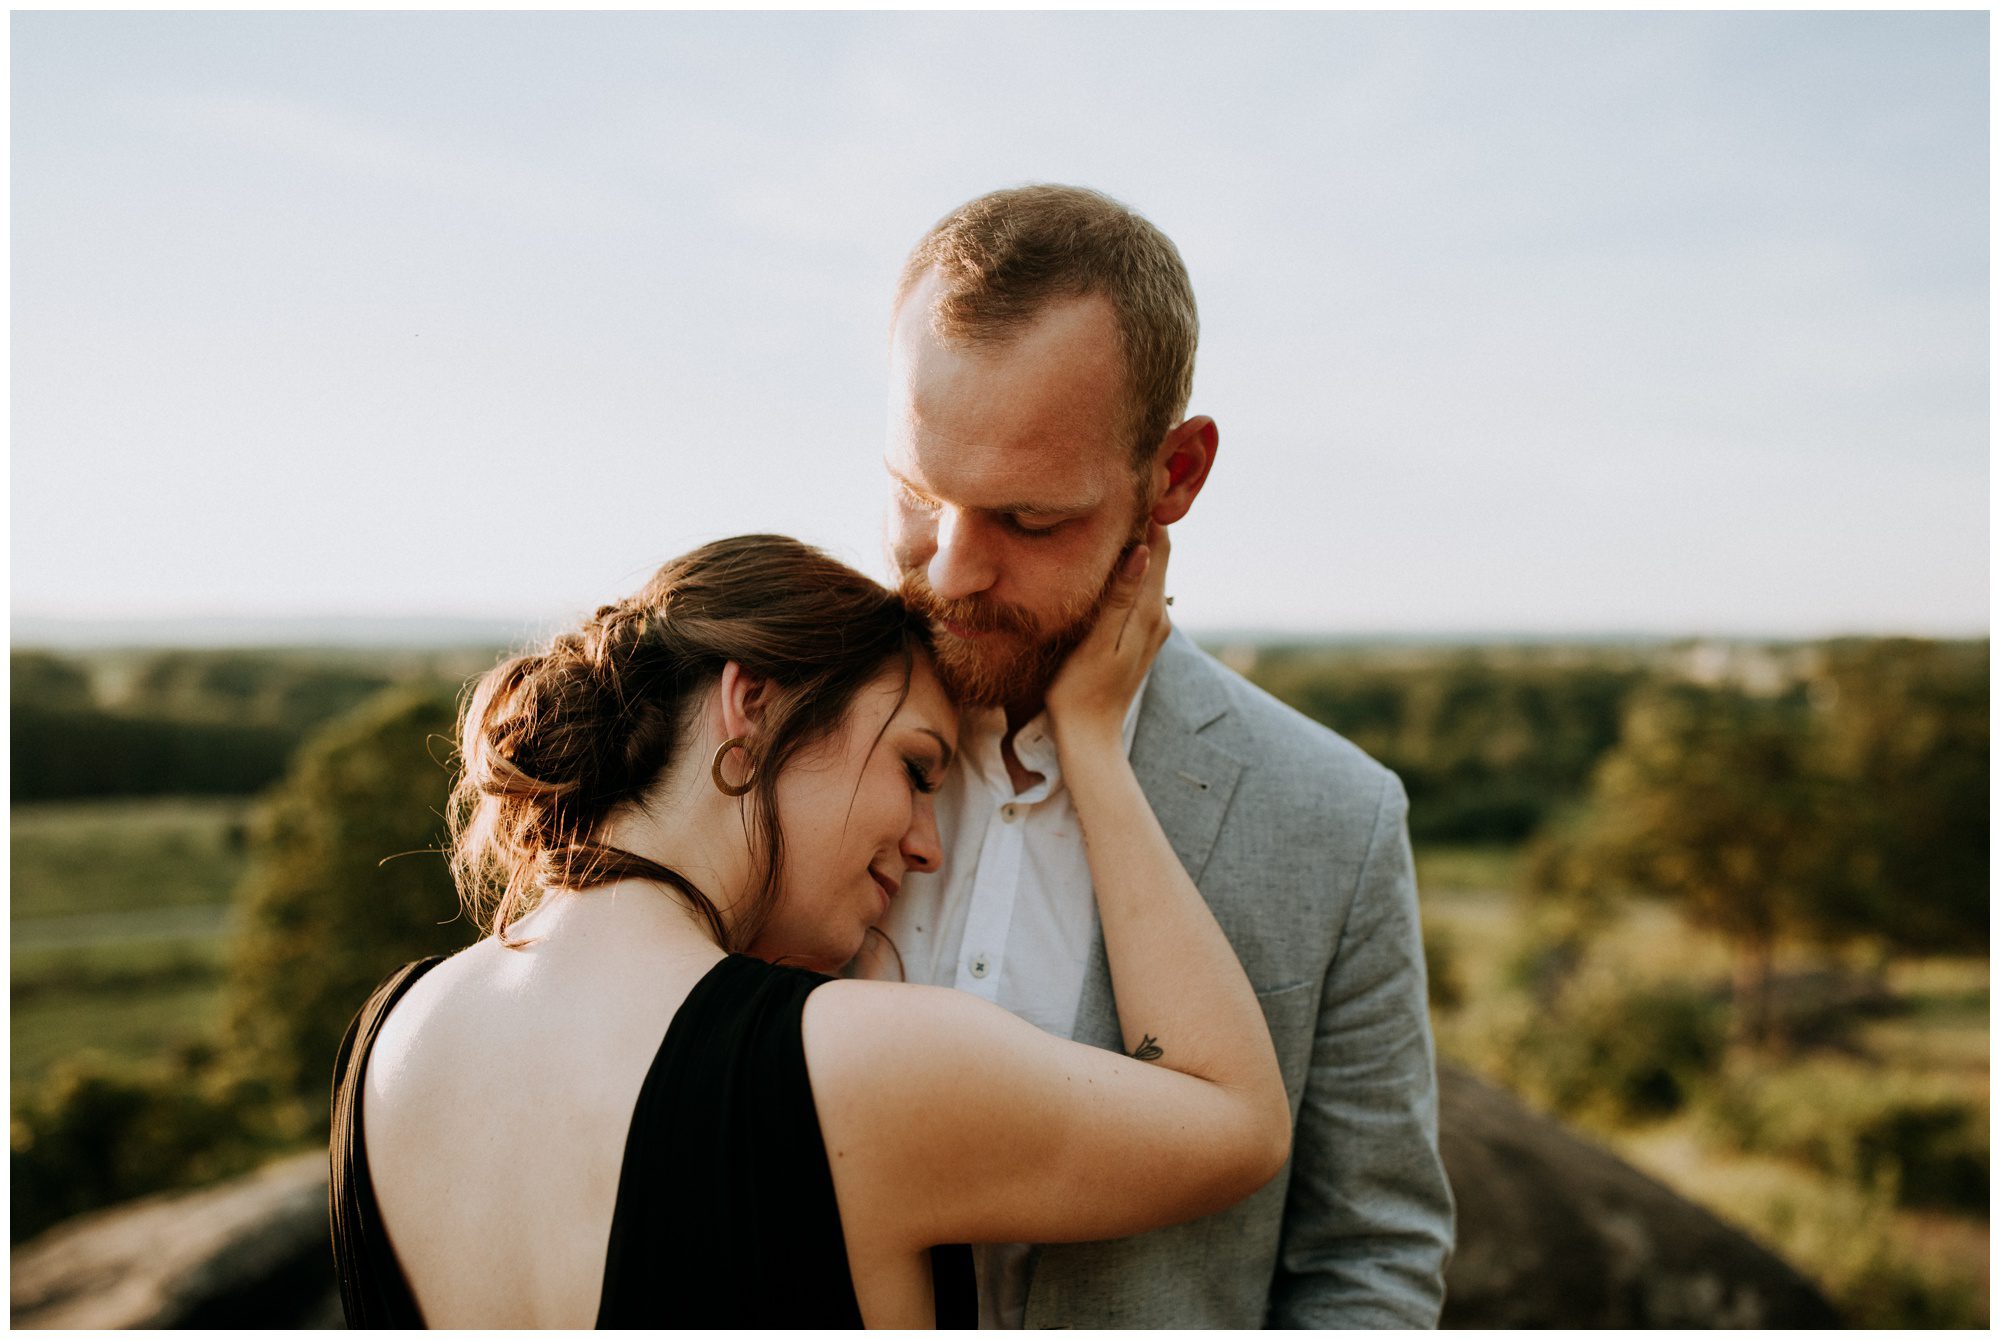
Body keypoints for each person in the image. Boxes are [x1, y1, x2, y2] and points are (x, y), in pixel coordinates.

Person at [329, 532, 1292, 1328]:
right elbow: (1238, 1122)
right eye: (918, 769)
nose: (928, 847)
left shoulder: (392, 1033)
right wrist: (1091, 744)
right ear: (751, 703)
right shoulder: (849, 1064)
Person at [869, 184, 1456, 1327]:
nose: (947, 570)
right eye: (915, 494)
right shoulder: (762, 721)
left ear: (1174, 473)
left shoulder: (1334, 817)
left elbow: (1371, 1256)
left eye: (1026, 519)